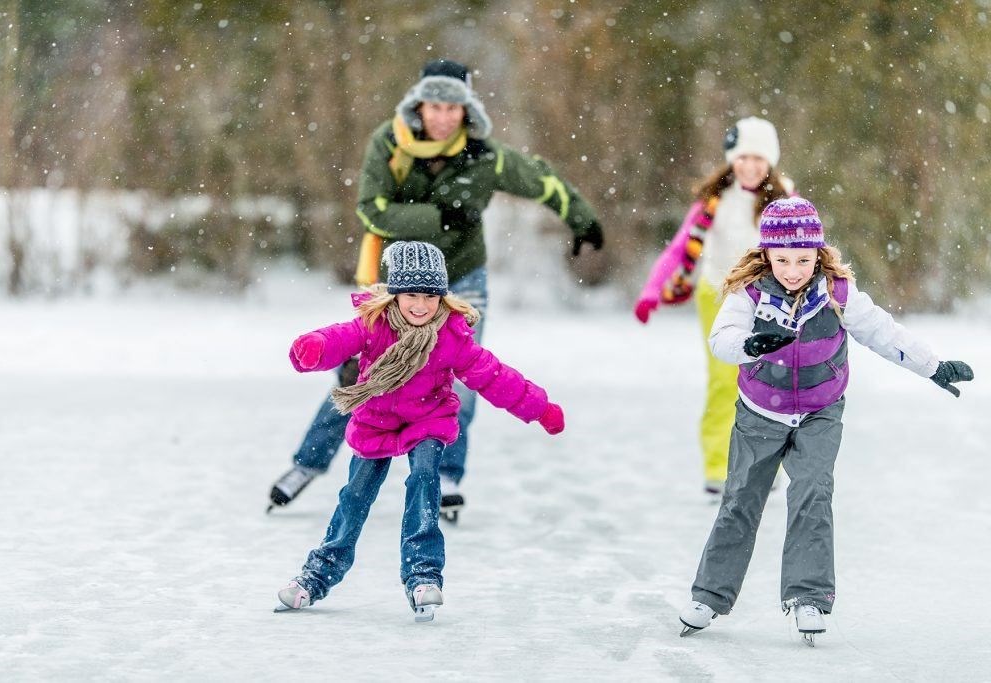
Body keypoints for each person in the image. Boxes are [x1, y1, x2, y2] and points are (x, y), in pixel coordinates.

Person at [268, 58, 603, 519]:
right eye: (435, 106)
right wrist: (439, 218)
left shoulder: (486, 156)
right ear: (419, 105)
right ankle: (307, 464)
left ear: (466, 110)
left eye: (453, 107)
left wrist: (582, 219)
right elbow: (372, 209)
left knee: (463, 377)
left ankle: (447, 474)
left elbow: (542, 179)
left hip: (462, 278)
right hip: (396, 282)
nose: (443, 116)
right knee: (362, 375)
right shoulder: (389, 143)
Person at [677, 197, 974, 644]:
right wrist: (752, 345)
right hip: (759, 413)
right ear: (766, 256)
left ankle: (808, 597)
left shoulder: (837, 293)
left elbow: (883, 332)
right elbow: (722, 339)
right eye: (782, 260)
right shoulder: (751, 292)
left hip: (820, 412)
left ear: (818, 252)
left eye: (802, 259)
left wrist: (933, 366)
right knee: (740, 500)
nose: (792, 269)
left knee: (813, 495)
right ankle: (709, 595)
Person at [276, 241, 565, 621]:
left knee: (426, 480)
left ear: (442, 296)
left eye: (430, 295)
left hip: (427, 419)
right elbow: (339, 338)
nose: (420, 305)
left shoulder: (451, 335)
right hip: (376, 420)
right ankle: (318, 574)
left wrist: (539, 408)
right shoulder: (374, 325)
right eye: (411, 294)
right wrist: (312, 347)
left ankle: (423, 574)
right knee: (354, 497)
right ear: (394, 295)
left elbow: (493, 376)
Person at [633, 117, 790, 497]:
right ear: (732, 160)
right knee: (725, 381)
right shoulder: (714, 202)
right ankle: (718, 466)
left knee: (772, 382)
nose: (749, 166)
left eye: (758, 159)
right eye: (742, 158)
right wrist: (652, 291)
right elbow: (679, 248)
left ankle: (767, 465)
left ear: (769, 162)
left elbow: (805, 253)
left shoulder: (784, 202)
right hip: (717, 297)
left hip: (769, 298)